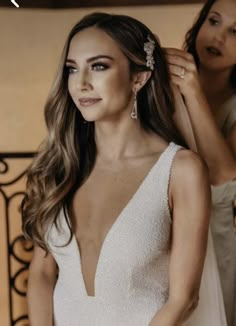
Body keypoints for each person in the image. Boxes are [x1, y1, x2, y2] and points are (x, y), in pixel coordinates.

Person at [22, 12, 212, 326]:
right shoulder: (62, 164)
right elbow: (42, 275)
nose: (81, 84)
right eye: (72, 69)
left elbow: (184, 299)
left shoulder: (180, 171)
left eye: (98, 66)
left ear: (139, 78)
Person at [165, 0, 236, 325]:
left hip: (221, 229)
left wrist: (191, 90)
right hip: (166, 220)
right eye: (214, 21)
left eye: (235, 31)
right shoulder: (165, 84)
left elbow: (223, 176)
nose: (218, 37)